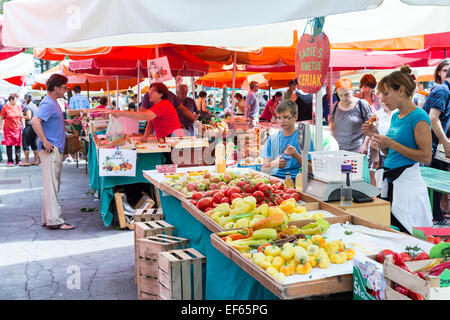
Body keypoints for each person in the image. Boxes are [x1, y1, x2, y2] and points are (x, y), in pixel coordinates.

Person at [362, 65, 433, 234]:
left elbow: (426, 156)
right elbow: (391, 153)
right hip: (392, 182)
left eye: (386, 94)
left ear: (401, 90)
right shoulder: (395, 116)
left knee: (407, 235)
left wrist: (391, 143)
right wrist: (375, 135)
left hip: (408, 186)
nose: (382, 99)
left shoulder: (419, 117)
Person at [30, 74, 75, 230]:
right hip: (50, 149)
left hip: (52, 147)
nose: (66, 90)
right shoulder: (49, 103)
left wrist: (67, 121)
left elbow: (52, 120)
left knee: (51, 185)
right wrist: (44, 140)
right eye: (64, 87)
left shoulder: (52, 102)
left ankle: (48, 218)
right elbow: (34, 121)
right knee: (52, 186)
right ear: (56, 88)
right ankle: (54, 220)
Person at [422, 67, 450, 224]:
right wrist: (445, 142)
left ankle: (436, 216)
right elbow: (433, 118)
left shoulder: (445, 90)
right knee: (431, 183)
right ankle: (433, 219)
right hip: (428, 145)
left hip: (432, 145)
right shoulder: (443, 90)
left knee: (436, 182)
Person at [260, 100, 314, 181]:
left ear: (295, 117)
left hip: (296, 181)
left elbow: (311, 170)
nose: (281, 121)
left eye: (285, 117)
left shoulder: (304, 138)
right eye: (279, 117)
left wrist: (297, 156)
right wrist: (273, 164)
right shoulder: (272, 139)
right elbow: (263, 169)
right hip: (274, 181)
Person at [111, 82, 182, 140]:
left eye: (152, 91)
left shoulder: (163, 105)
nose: (149, 94)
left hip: (172, 139)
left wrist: (121, 113)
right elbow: (150, 122)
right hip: (168, 138)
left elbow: (144, 116)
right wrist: (145, 137)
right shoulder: (159, 105)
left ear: (161, 94)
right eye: (149, 91)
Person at [329, 78, 373, 153]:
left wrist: (365, 144)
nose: (344, 98)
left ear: (352, 91)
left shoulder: (361, 104)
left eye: (346, 94)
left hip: (358, 149)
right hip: (339, 150)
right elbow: (332, 128)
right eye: (341, 95)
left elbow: (372, 126)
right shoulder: (335, 106)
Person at [0, 93, 23, 165]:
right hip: (8, 129)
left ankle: (18, 160)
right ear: (11, 100)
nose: (17, 101)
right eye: (16, 99)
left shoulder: (18, 107)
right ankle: (10, 160)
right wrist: (0, 128)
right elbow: (1, 118)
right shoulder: (5, 107)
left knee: (18, 145)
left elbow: (21, 117)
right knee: (9, 145)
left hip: (17, 129)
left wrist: (23, 125)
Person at [21, 93, 39, 166]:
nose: (24, 100)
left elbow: (28, 117)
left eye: (25, 98)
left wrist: (21, 116)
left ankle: (26, 161)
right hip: (35, 127)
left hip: (29, 127)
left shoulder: (27, 107)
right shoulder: (35, 106)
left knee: (25, 144)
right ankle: (36, 160)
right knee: (34, 144)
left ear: (27, 99)